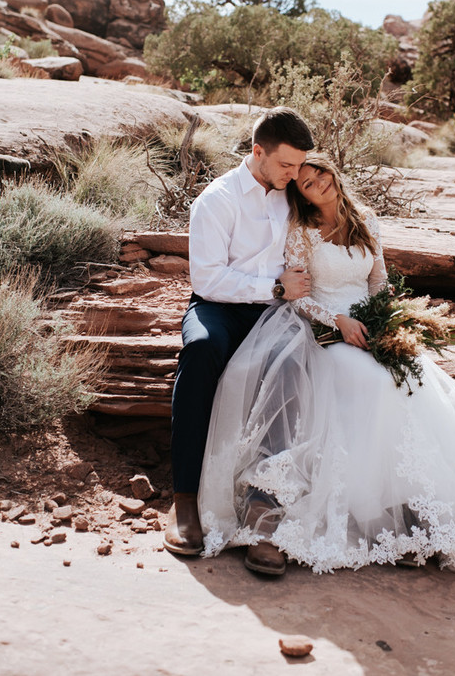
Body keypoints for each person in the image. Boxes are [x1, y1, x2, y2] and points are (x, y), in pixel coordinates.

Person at [198, 153, 455, 588]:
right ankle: (305, 510)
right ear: (302, 195)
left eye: (320, 174)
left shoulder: (366, 219)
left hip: (370, 326)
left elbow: (378, 281)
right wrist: (339, 322)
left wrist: (389, 323)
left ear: (333, 172)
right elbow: (298, 298)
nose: (317, 183)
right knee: (370, 381)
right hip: (324, 331)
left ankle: (405, 509)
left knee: (409, 380)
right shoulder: (301, 232)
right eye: (306, 183)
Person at [164, 107, 315, 576]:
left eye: (299, 165)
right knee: (202, 349)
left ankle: (263, 509)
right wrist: (273, 288)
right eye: (287, 165)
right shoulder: (216, 200)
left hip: (276, 310)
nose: (295, 174)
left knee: (292, 363)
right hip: (220, 305)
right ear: (257, 152)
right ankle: (184, 500)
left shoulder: (292, 195)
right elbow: (208, 279)